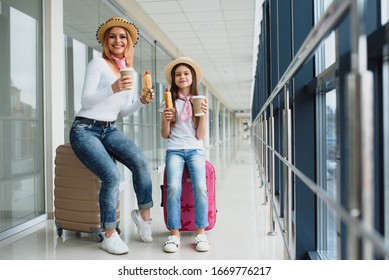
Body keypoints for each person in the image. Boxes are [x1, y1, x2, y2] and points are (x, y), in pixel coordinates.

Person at [69, 17, 154, 255]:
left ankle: (144, 218)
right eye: (113, 36)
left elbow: (124, 111)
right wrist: (112, 88)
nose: (118, 40)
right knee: (112, 175)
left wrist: (141, 101)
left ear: (129, 43)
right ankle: (109, 234)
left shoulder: (130, 72)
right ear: (106, 41)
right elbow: (85, 101)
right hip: (84, 129)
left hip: (110, 129)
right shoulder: (97, 64)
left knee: (140, 161)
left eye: (123, 37)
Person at [160, 57, 210, 253]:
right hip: (174, 149)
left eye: (186, 73)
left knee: (200, 186)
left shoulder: (201, 100)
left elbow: (200, 135)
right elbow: (165, 134)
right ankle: (174, 234)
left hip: (195, 148)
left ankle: (200, 232)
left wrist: (203, 116)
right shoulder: (168, 101)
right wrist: (166, 119)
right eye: (178, 74)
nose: (182, 77)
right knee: (172, 187)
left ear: (193, 78)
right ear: (173, 79)